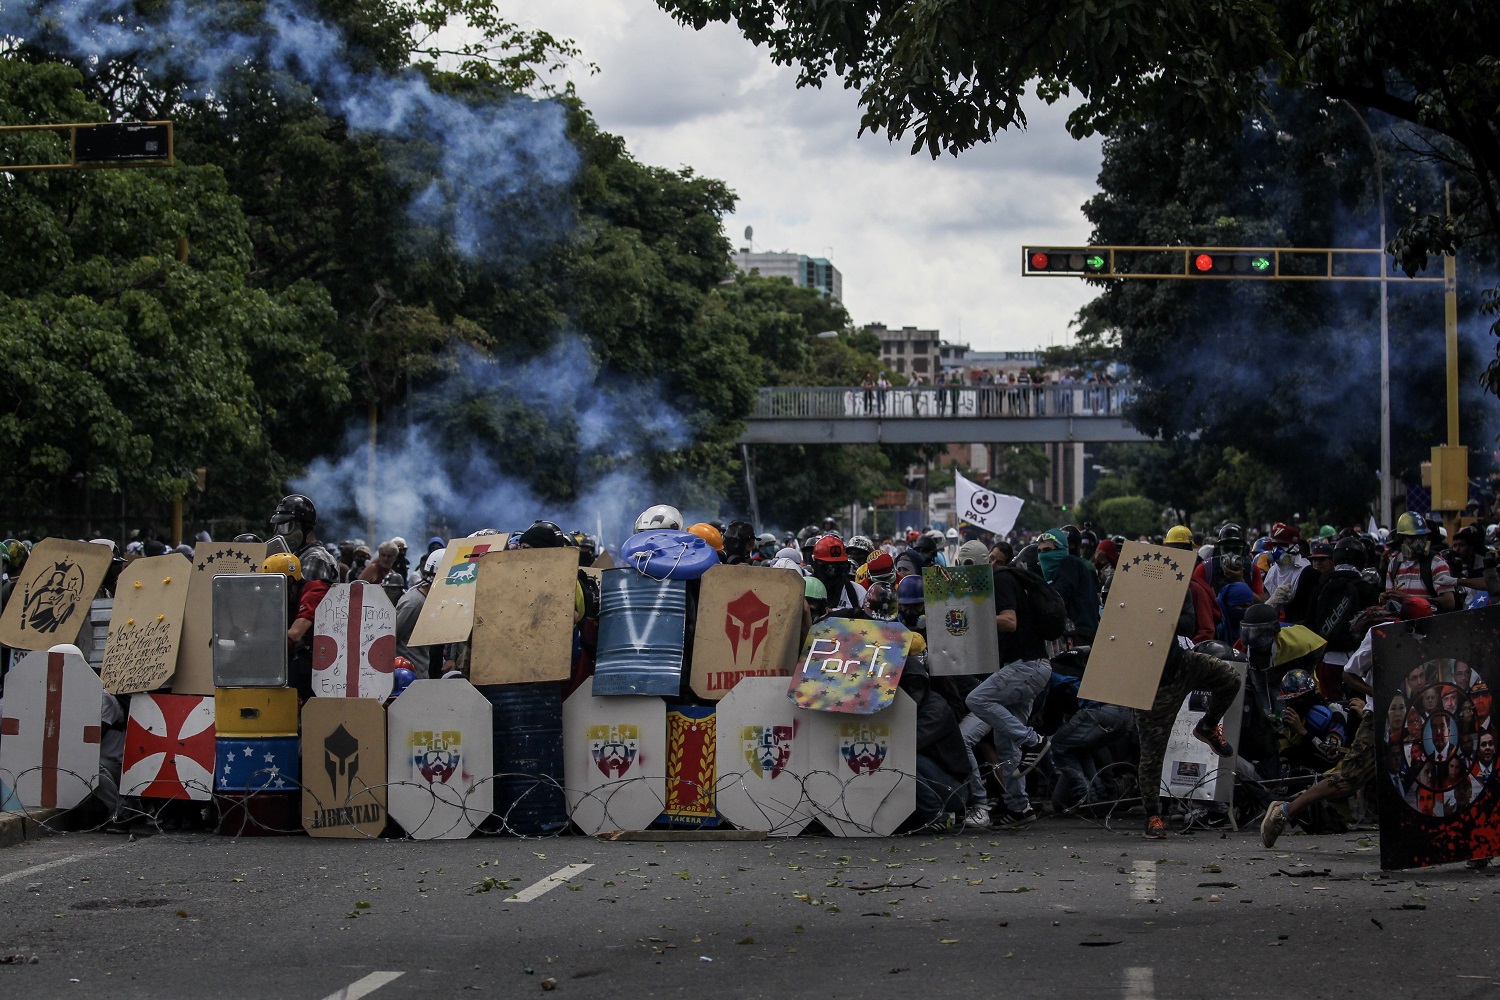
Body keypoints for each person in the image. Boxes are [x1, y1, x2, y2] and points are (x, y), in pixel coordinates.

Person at [1261, 596, 1433, 848]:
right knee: (1348, 780)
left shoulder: (1431, 636)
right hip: (1381, 717)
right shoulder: (1380, 636)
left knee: (1430, 768)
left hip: (1417, 716)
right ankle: (1285, 810)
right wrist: (1382, 695)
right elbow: (1349, 674)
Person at [961, 559, 1055, 828]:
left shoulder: (1000, 580)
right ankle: (1020, 808)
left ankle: (1033, 741)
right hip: (1030, 669)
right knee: (1004, 744)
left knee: (976, 699)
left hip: (1028, 667)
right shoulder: (1005, 582)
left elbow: (1009, 622)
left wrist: (971, 618)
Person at [1136, 639, 1243, 838]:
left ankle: (1207, 726)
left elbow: (1187, 620)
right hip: (1152, 680)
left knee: (1230, 678)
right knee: (1152, 752)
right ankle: (1152, 815)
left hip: (1181, 663)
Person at [269, 494, 338, 699]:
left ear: (304, 526)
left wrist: (289, 638)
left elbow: (306, 608)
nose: (282, 533)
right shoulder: (295, 556)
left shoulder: (314, 559)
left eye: (287, 526)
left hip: (308, 652)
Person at [1383, 512, 1457, 612]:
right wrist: (1386, 599)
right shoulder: (1394, 564)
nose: (1419, 542)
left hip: (1428, 625)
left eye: (1422, 537)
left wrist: (1409, 600)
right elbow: (1392, 603)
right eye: (1412, 537)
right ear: (1401, 538)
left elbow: (1449, 602)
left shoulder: (1437, 563)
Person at [396, 548, 442, 678]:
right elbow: (392, 636)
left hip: (421, 672)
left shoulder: (429, 601)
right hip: (407, 677)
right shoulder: (414, 602)